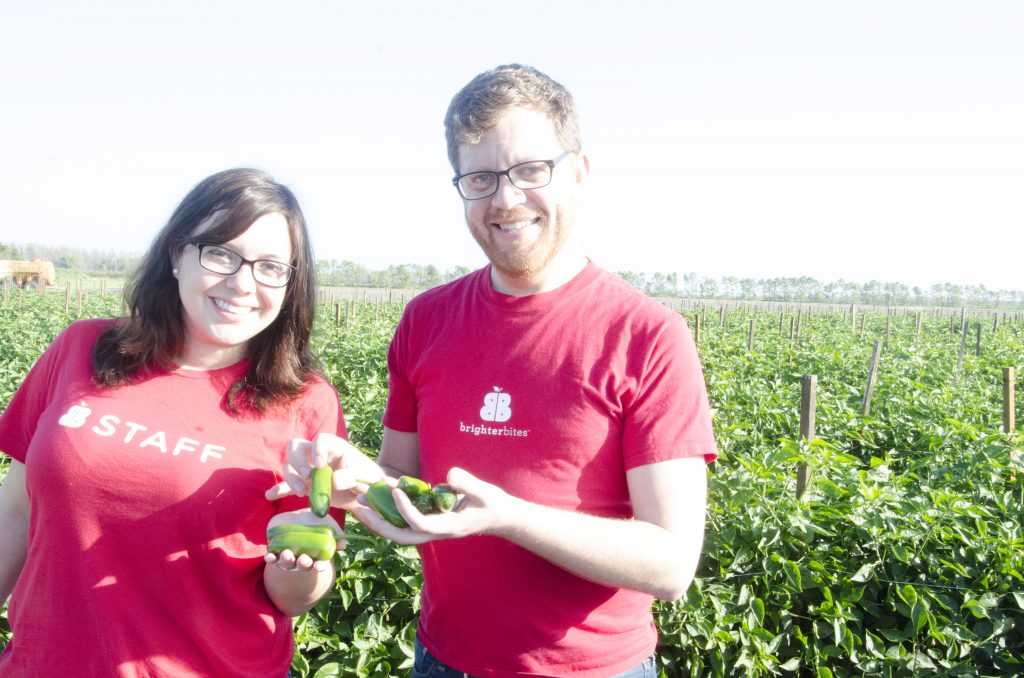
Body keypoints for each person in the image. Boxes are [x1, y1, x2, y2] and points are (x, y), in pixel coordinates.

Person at [271, 64, 718, 677]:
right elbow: (403, 483)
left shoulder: (646, 335)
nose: (505, 199)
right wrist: (357, 479)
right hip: (443, 659)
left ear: (579, 174)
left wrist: (509, 518)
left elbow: (670, 563)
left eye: (532, 170)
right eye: (480, 178)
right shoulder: (426, 320)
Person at [0, 168, 350, 677]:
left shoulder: (306, 402)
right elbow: (14, 511)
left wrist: (299, 565)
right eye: (221, 253)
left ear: (291, 282)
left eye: (271, 266)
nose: (242, 282)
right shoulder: (81, 350)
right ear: (175, 254)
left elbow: (293, 599)